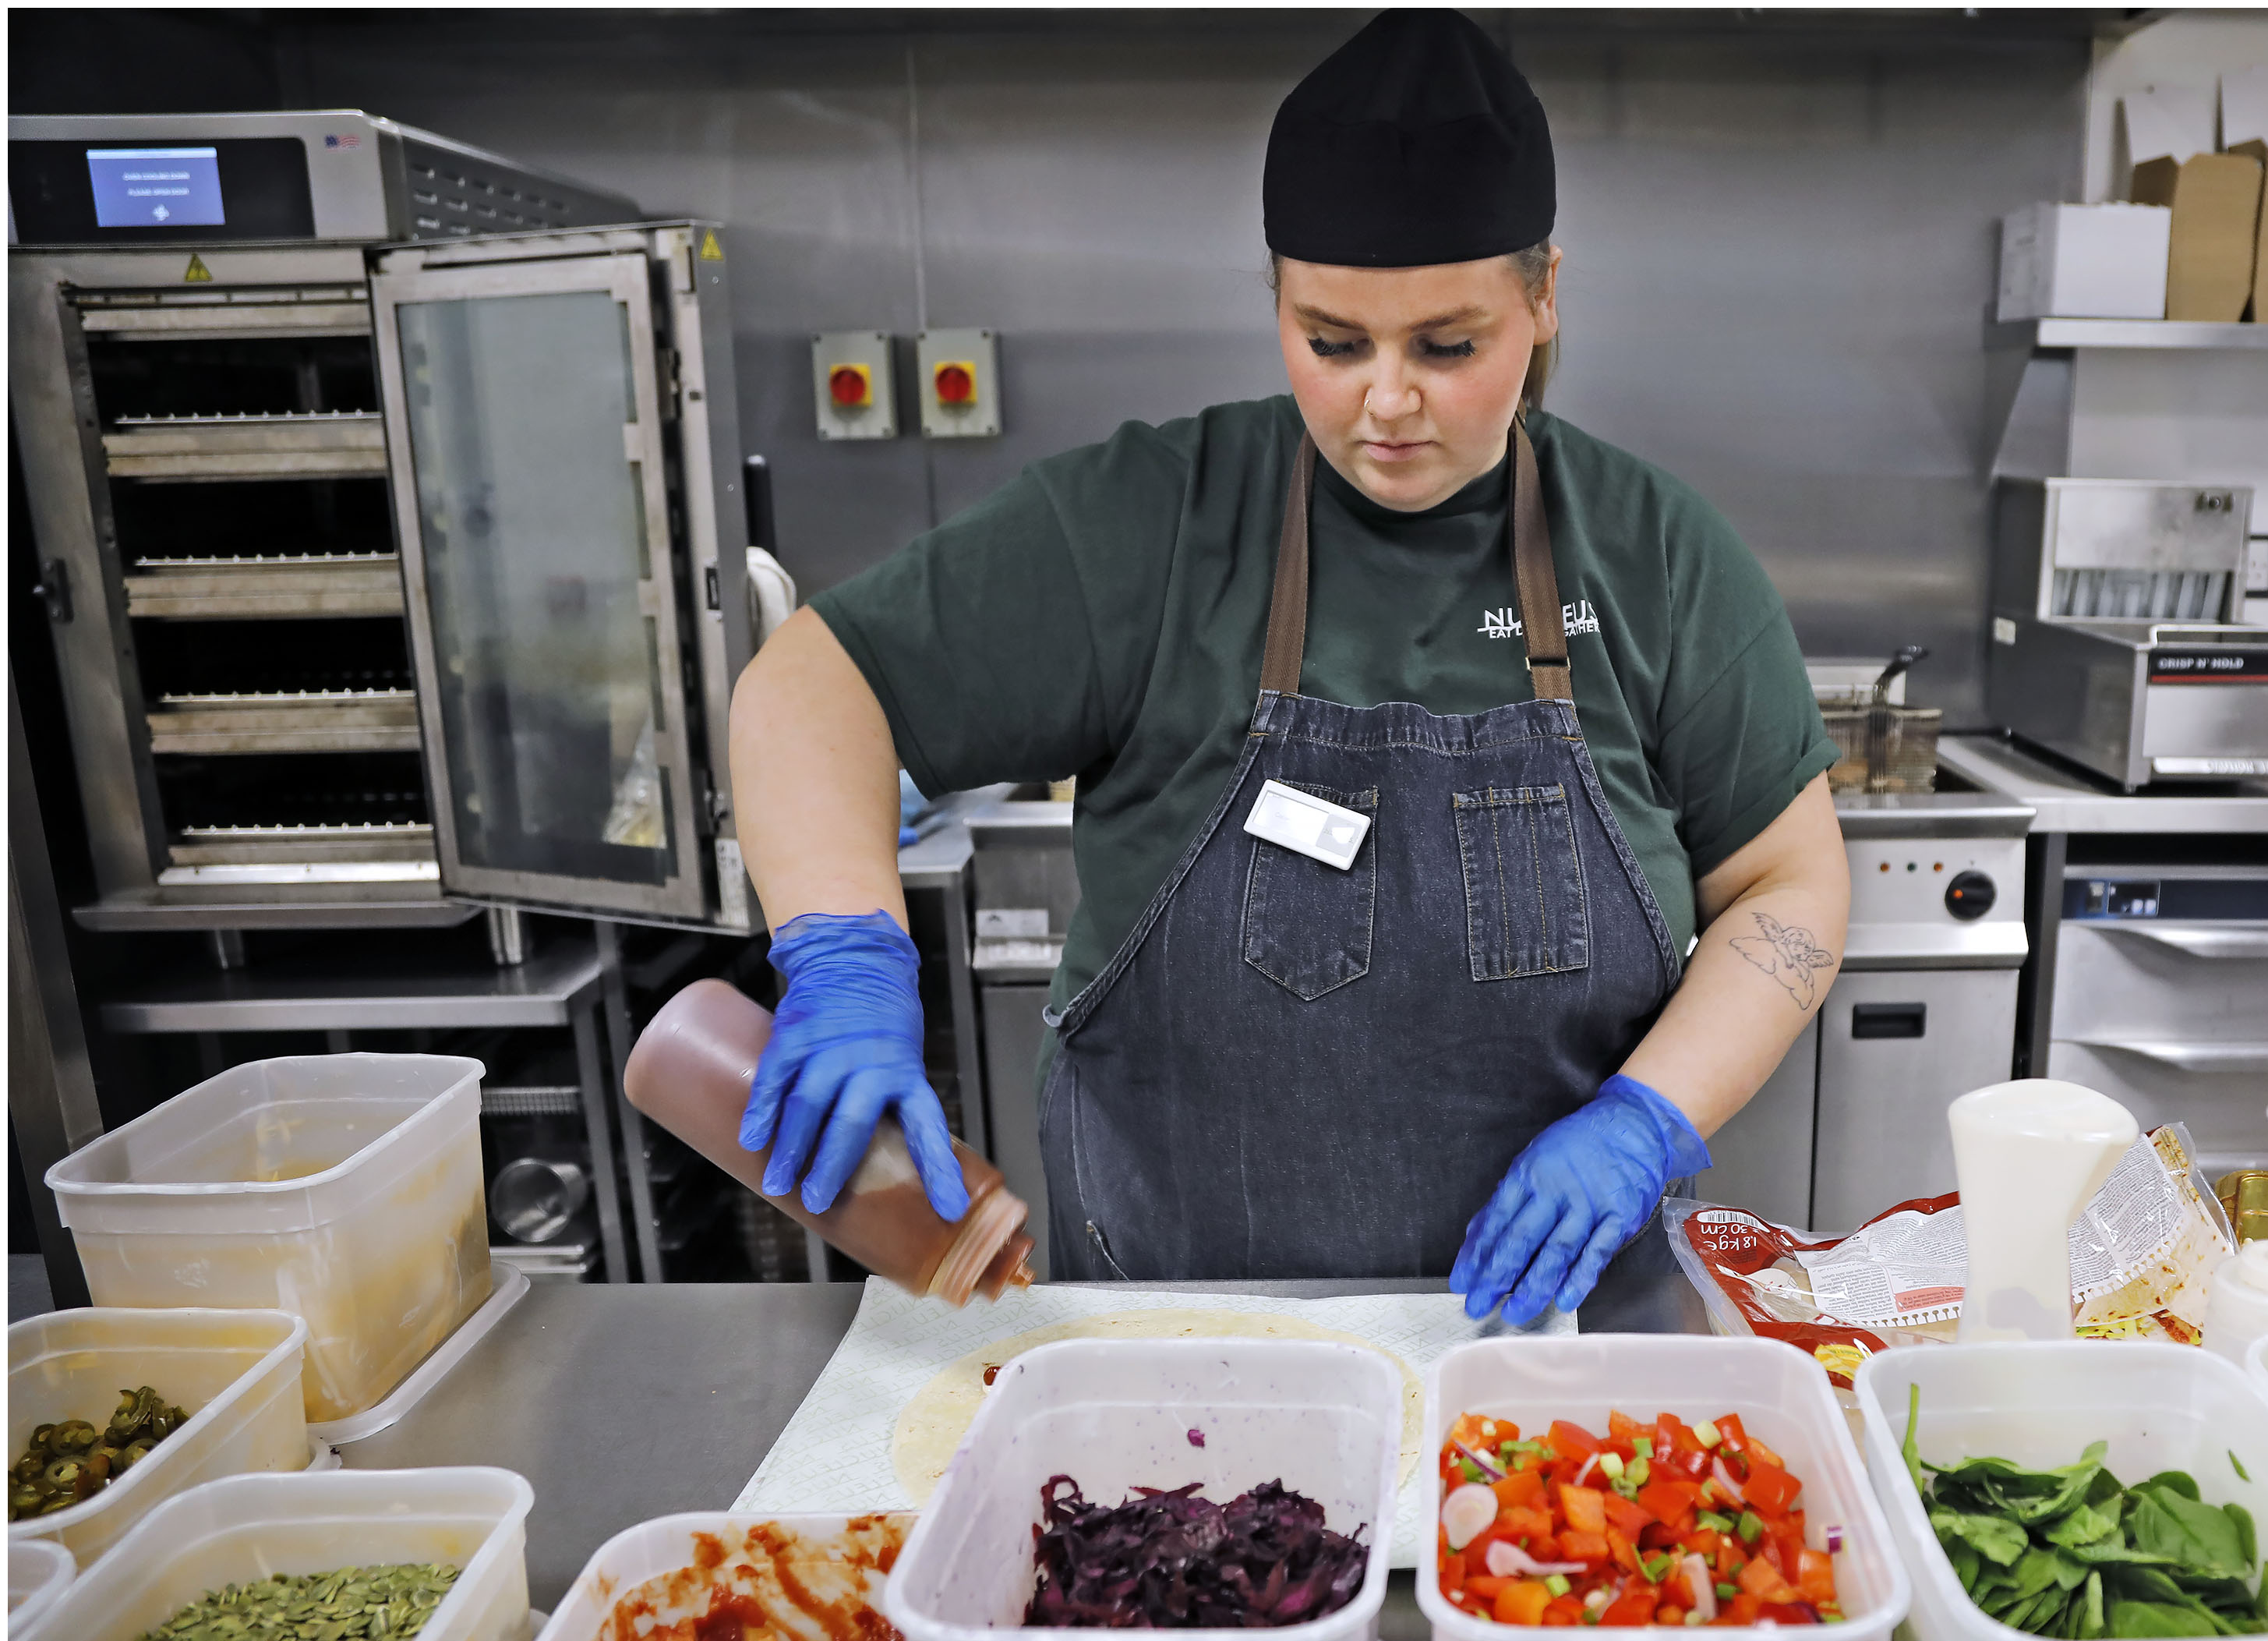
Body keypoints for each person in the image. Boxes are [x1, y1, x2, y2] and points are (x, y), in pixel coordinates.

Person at [729, 8, 1849, 1328]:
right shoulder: (1151, 520)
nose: (1386, 401)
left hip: (1547, 1348)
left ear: (1543, 295)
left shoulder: (1655, 553)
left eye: (1448, 345)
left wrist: (1645, 1120)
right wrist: (848, 957)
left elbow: (1789, 880)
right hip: (1183, 1354)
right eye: (1332, 341)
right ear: (1275, 295)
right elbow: (809, 686)